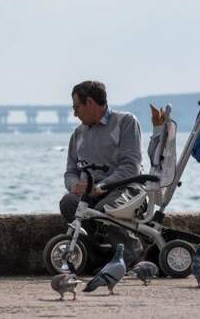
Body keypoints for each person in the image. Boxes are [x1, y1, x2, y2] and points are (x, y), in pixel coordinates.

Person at [59, 80, 144, 265]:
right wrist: (75, 186)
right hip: (90, 192)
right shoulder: (78, 134)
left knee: (103, 210)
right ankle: (96, 259)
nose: (74, 113)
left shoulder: (126, 122)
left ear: (90, 103)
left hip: (125, 189)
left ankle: (133, 256)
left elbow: (131, 166)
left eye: (77, 107)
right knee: (68, 203)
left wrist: (100, 187)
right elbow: (70, 172)